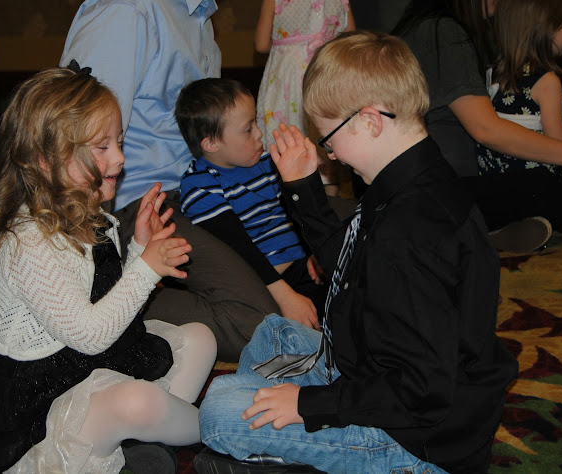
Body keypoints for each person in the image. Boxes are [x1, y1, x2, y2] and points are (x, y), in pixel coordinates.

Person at [195, 31, 518, 474]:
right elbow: (353, 273)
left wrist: (308, 405)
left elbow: (422, 390)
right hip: (375, 370)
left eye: (328, 138)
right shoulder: (412, 177)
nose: (329, 153)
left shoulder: (409, 234)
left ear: (369, 121)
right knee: (274, 332)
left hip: (412, 437)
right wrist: (305, 188)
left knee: (220, 409)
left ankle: (286, 450)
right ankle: (275, 444)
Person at [0, 66, 217, 473]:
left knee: (200, 338)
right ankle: (224, 431)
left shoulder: (90, 215)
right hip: (41, 409)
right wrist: (146, 269)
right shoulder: (27, 242)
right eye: (101, 146)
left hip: (87, 366)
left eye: (119, 141)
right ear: (44, 160)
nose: (119, 157)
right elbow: (90, 336)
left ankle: (142, 446)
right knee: (137, 402)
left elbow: (111, 303)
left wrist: (139, 248)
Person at [57, 0, 280, 363]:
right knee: (259, 326)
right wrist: (93, 256)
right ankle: (96, 304)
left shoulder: (200, 17)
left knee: (327, 248)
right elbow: (71, 138)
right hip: (140, 206)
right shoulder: (127, 11)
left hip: (202, 189)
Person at [393, 0, 562, 251]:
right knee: (543, 187)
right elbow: (486, 130)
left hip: (439, 189)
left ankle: (481, 233)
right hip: (436, 191)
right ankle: (468, 232)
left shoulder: (438, 28)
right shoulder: (444, 32)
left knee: (534, 187)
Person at [176, 78, 327, 330]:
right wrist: (286, 297)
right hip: (267, 284)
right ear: (211, 144)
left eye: (255, 122)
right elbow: (239, 247)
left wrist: (317, 251)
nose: (259, 133)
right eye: (248, 129)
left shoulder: (266, 163)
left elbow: (299, 213)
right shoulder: (200, 185)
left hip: (305, 268)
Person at [254, 0, 355, 195]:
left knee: (285, 143)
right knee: (325, 146)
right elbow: (350, 39)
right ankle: (329, 201)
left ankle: (290, 201)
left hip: (286, 82)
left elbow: (261, 44)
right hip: (326, 76)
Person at [477, 0, 562, 178]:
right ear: (546, 28)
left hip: (497, 186)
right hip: (541, 186)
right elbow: (559, 148)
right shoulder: (547, 83)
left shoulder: (493, 73)